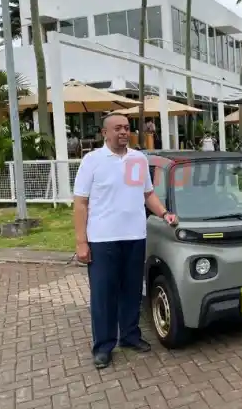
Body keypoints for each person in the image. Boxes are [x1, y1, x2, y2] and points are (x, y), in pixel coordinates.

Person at [73, 113, 178, 369]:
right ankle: (103, 346)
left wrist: (164, 213)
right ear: (104, 133)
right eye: (117, 128)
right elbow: (80, 203)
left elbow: (147, 194)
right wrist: (81, 242)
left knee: (131, 291)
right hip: (102, 239)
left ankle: (130, 336)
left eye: (127, 128)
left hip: (134, 236)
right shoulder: (92, 161)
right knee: (104, 294)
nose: (123, 132)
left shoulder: (138, 159)